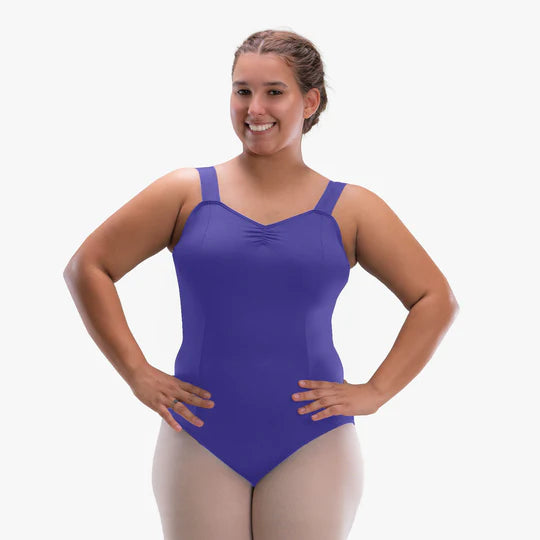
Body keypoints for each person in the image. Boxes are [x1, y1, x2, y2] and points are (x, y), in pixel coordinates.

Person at [63, 29, 459, 540]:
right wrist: (136, 372)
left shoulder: (352, 208)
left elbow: (434, 299)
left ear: (309, 102)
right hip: (199, 433)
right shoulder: (186, 193)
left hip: (312, 438)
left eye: (274, 92)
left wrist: (377, 392)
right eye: (242, 91)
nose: (255, 108)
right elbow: (88, 267)